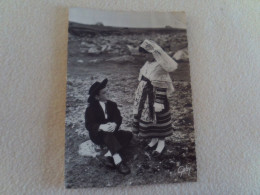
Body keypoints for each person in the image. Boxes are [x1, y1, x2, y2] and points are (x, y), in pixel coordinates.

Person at [132, 39, 178, 157]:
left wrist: (158, 102)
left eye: (146, 53)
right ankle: (153, 140)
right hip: (145, 97)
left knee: (158, 119)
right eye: (143, 54)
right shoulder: (147, 64)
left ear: (152, 53)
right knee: (148, 119)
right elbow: (142, 79)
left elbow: (162, 85)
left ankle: (161, 143)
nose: (144, 56)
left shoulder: (159, 66)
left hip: (157, 98)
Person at [85, 78, 133, 174]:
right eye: (104, 93)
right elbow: (89, 125)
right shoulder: (91, 108)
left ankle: (108, 155)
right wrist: (102, 127)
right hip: (98, 136)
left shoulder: (112, 105)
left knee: (128, 135)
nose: (108, 94)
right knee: (107, 133)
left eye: (107, 92)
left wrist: (115, 124)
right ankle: (118, 160)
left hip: (111, 133)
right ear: (97, 97)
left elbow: (118, 118)